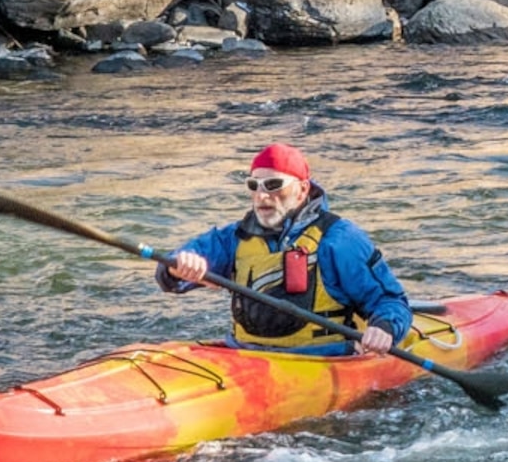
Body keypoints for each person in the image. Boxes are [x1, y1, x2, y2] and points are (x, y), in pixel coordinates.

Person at [160, 144, 415, 356]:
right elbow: (169, 273)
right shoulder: (232, 238)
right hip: (245, 354)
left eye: (273, 185)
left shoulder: (339, 239)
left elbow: (390, 301)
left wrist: (385, 328)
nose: (262, 195)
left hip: (320, 359)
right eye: (254, 185)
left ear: (303, 189)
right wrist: (179, 268)